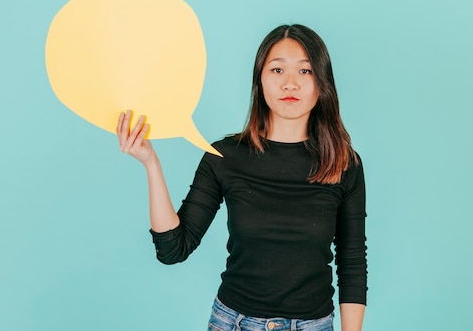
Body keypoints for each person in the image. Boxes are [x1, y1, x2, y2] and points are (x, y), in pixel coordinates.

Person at [117, 24, 367, 331]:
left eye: (305, 71)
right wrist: (150, 163)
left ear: (322, 82)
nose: (290, 84)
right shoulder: (224, 157)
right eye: (277, 70)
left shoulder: (344, 164)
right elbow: (173, 249)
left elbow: (352, 261)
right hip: (233, 323)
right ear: (259, 81)